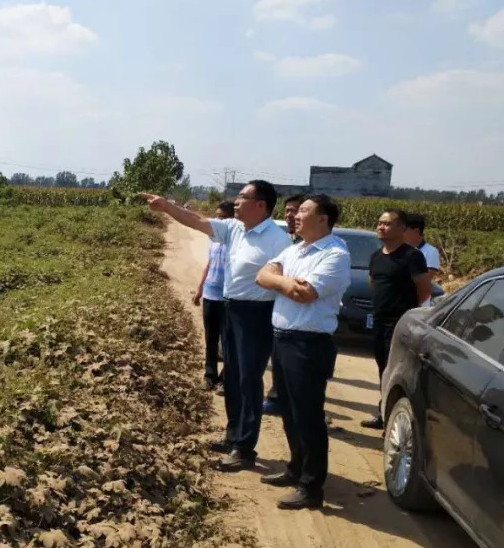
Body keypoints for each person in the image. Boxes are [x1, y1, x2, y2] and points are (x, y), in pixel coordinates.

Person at [141, 181, 291, 470]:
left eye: (243, 197)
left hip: (258, 313)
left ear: (261, 205)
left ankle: (245, 448)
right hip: (231, 308)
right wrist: (167, 206)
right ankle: (233, 435)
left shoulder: (277, 240)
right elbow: (197, 221)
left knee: (249, 379)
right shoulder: (234, 229)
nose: (235, 202)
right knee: (232, 377)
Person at [256, 194, 351, 509]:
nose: (295, 216)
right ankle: (296, 469)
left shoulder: (334, 254)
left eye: (304, 212)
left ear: (323, 218)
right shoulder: (295, 248)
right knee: (288, 412)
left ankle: (312, 488)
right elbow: (262, 276)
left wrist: (279, 283)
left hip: (308, 345)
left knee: (308, 417)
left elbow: (306, 293)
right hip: (282, 339)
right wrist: (285, 282)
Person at [362, 209, 432, 429]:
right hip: (380, 321)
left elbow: (424, 288)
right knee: (383, 367)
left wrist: (410, 312)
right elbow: (373, 283)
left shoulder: (412, 256)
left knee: (398, 371)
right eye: (379, 222)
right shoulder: (376, 256)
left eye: (387, 223)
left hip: (400, 323)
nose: (381, 227)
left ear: (402, 228)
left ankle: (395, 419)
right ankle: (383, 413)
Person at [263, 194, 306, 415]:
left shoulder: (310, 245)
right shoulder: (281, 239)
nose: (291, 215)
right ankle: (277, 395)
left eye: (296, 210)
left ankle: (289, 400)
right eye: (288, 210)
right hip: (275, 305)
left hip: (298, 312)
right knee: (276, 355)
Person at [193, 201, 236, 391]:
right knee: (210, 339)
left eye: (223, 217)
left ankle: (226, 379)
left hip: (229, 297)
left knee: (228, 340)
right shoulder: (214, 240)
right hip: (211, 294)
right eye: (217, 216)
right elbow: (209, 265)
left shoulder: (237, 242)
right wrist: (200, 287)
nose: (218, 220)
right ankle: (209, 376)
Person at [403, 213, 440, 305]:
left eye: (404, 230)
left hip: (417, 305)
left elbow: (425, 280)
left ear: (416, 231)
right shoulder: (398, 249)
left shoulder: (431, 251)